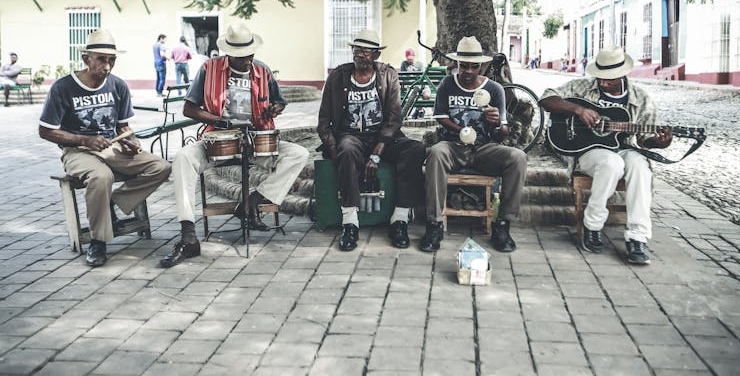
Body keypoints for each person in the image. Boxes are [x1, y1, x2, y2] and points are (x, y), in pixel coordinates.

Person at [162, 23, 309, 267]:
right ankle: (188, 234)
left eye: (250, 55)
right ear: (228, 54)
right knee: (183, 158)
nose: (248, 61)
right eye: (242, 57)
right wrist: (218, 120)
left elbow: (279, 102)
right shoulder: (209, 69)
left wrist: (276, 108)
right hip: (218, 141)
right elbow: (189, 108)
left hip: (257, 140)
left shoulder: (262, 70)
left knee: (298, 154)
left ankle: (254, 201)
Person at [38, 30, 171, 267]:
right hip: (76, 151)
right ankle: (98, 242)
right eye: (101, 59)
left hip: (112, 148)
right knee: (101, 176)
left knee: (161, 167)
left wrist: (130, 142)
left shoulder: (118, 86)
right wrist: (83, 140)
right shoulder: (63, 87)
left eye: (112, 60)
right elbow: (46, 130)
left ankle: (112, 202)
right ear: (86, 59)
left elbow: (122, 126)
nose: (107, 66)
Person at [538, 46, 672, 265]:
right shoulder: (582, 87)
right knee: (612, 162)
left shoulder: (641, 98)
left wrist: (659, 142)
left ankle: (638, 237)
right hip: (590, 152)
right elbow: (546, 99)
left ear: (622, 74)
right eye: (600, 77)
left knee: (640, 165)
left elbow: (645, 140)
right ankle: (593, 225)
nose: (602, 83)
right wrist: (577, 110)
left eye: (608, 79)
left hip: (626, 148)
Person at [318, 29, 426, 251]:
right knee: (346, 150)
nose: (359, 54)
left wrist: (376, 153)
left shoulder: (388, 75)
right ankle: (350, 222)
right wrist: (332, 148)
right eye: (356, 49)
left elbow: (395, 118)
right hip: (350, 137)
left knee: (415, 149)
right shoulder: (338, 77)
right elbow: (324, 120)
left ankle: (400, 219)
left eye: (366, 51)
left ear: (376, 55)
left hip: (383, 137)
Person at [421, 36, 527, 253]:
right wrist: (460, 131)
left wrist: (497, 122)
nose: (468, 71)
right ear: (456, 64)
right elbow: (440, 116)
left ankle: (503, 224)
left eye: (473, 66)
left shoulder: (495, 90)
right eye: (463, 66)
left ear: (482, 66)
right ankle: (434, 224)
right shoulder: (447, 84)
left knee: (517, 157)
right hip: (453, 146)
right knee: (435, 152)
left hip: (484, 149)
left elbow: (501, 135)